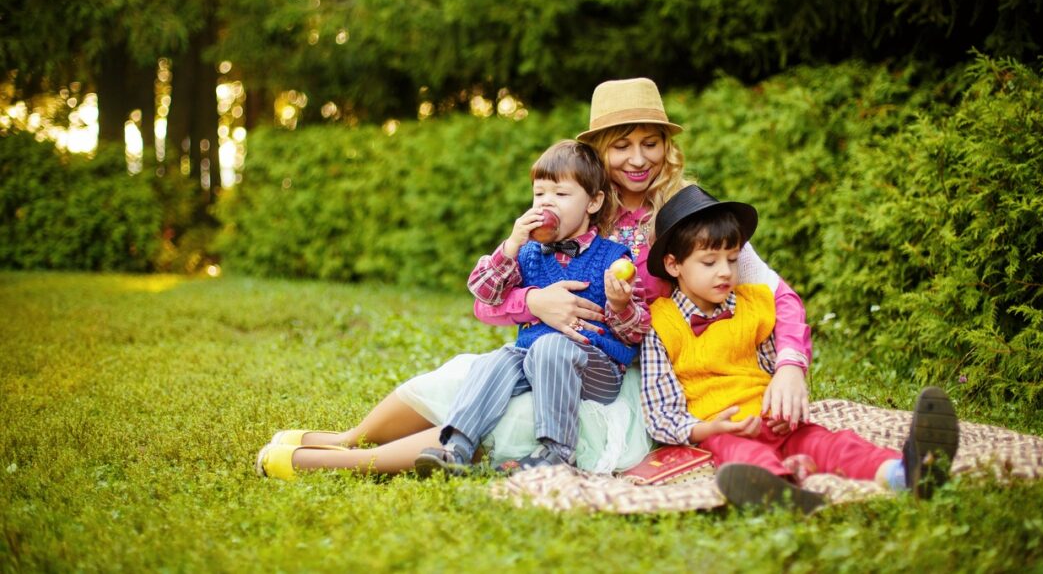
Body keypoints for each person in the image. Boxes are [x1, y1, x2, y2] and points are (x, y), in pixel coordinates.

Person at [255, 78, 810, 479]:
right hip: (547, 346)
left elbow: (774, 294)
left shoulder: (689, 214)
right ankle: (347, 438)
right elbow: (490, 301)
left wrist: (789, 366)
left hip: (634, 374)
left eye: (650, 142)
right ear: (596, 152)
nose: (637, 159)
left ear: (668, 146)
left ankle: (345, 462)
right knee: (467, 378)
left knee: (514, 416)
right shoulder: (568, 207)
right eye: (620, 144)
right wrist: (536, 301)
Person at [640, 184, 961, 512]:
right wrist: (711, 427)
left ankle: (907, 474)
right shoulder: (660, 325)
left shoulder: (754, 304)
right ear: (673, 265)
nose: (725, 271)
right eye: (709, 262)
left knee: (833, 443)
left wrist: (784, 411)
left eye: (733, 259)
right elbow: (662, 414)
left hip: (774, 420)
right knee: (745, 457)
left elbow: (771, 370)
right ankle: (781, 493)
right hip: (725, 428)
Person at [412, 140, 650, 476]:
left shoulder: (613, 258)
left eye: (561, 195)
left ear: (593, 202)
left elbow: (636, 331)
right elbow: (484, 293)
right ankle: (456, 448)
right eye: (540, 194)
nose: (547, 203)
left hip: (596, 368)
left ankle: (556, 452)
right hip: (533, 359)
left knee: (551, 346)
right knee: (496, 358)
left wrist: (620, 304)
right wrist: (510, 245)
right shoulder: (526, 253)